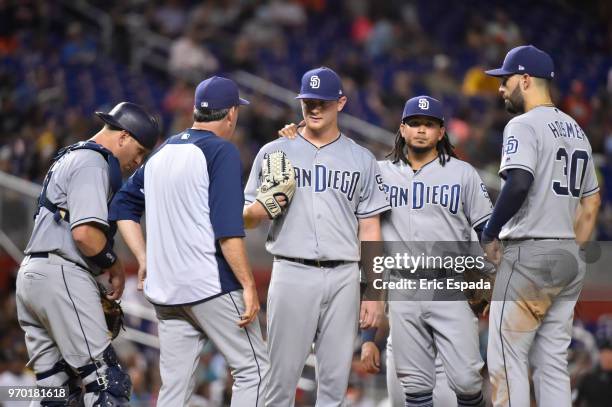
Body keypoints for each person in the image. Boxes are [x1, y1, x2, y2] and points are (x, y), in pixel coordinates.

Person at [110, 76, 268, 407]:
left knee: (174, 388)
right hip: (208, 285)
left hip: (166, 292)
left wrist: (143, 257)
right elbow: (227, 229)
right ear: (230, 115)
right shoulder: (221, 150)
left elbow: (122, 206)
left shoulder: (162, 152)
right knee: (254, 370)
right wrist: (248, 285)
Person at [243, 66, 390, 406]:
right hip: (292, 270)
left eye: (322, 102)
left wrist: (374, 292)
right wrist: (257, 211)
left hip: (344, 275)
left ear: (340, 103)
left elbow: (370, 229)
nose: (314, 108)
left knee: (334, 386)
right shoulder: (277, 151)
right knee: (279, 382)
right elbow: (247, 218)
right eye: (308, 101)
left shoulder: (361, 159)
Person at [15, 101, 159, 406]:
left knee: (56, 394)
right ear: (123, 137)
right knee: (110, 384)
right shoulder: (93, 161)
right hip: (60, 273)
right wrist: (114, 264)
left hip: (34, 276)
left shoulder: (70, 156)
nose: (138, 161)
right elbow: (85, 235)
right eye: (140, 151)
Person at [483, 45, 601, 406]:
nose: (501, 89)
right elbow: (593, 202)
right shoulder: (576, 130)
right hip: (567, 257)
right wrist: (571, 247)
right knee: (551, 363)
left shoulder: (522, 124)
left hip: (529, 252)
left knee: (506, 357)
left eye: (505, 81)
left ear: (524, 79)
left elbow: (518, 182)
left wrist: (490, 232)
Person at [376, 96, 490, 407]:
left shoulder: (463, 173)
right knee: (415, 386)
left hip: (450, 284)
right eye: (414, 123)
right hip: (402, 285)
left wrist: (489, 280)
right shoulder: (379, 173)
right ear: (402, 129)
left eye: (429, 124)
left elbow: (487, 231)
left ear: (442, 132)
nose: (422, 130)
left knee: (467, 380)